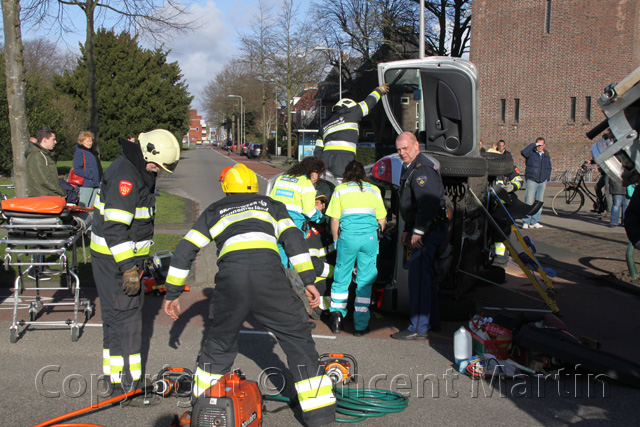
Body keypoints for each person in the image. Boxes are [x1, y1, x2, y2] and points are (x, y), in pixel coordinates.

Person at [163, 164, 336, 427]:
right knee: (298, 341)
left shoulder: (214, 210)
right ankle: (320, 418)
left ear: (226, 188)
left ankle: (202, 410)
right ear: (254, 187)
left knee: (218, 346)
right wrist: (308, 280)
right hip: (270, 280)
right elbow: (293, 240)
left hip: (231, 282)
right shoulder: (272, 205)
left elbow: (185, 249)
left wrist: (172, 293)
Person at [90, 129, 180, 392]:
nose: (158, 171)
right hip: (117, 261)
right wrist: (129, 267)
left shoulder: (136, 168)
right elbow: (115, 229)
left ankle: (115, 380)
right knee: (126, 320)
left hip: (116, 259)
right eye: (158, 166)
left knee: (115, 318)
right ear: (147, 154)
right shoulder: (125, 177)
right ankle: (127, 385)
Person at [391, 132, 448, 341]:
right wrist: (408, 228)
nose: (401, 153)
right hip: (426, 226)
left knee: (419, 278)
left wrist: (418, 231)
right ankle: (432, 322)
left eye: (405, 148)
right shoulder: (414, 167)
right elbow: (413, 204)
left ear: (416, 146)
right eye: (398, 149)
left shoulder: (421, 169)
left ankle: (418, 327)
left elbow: (428, 203)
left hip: (428, 228)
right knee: (425, 276)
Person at [325, 160, 386, 336]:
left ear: (346, 174)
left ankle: (337, 319)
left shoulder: (340, 190)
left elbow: (334, 220)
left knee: (341, 278)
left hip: (348, 238)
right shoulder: (374, 190)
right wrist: (376, 236)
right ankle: (360, 326)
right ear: (363, 174)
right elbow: (382, 220)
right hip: (369, 239)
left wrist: (336, 239)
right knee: (365, 281)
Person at [313, 84, 389, 177]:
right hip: (343, 161)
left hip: (325, 162)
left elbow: (318, 151)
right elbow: (369, 102)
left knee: (327, 187)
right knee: (344, 187)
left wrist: (318, 168)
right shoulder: (352, 112)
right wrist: (379, 90)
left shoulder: (324, 126)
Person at [269, 156, 326, 265]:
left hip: (276, 223)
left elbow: (270, 200)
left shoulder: (281, 178)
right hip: (294, 226)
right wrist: (321, 218)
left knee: (280, 258)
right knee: (295, 260)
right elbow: (309, 212)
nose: (317, 179)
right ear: (314, 172)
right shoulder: (306, 183)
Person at [25, 128, 68, 198]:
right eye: (53, 139)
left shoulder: (46, 155)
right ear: (45, 140)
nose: (55, 142)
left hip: (50, 197)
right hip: (42, 198)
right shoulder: (36, 156)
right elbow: (44, 180)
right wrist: (62, 192)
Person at [521, 137, 552, 229]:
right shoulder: (531, 153)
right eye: (538, 144)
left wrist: (547, 178)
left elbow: (549, 167)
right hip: (532, 179)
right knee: (529, 201)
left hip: (542, 180)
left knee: (539, 202)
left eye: (541, 145)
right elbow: (523, 152)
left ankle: (534, 221)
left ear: (544, 145)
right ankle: (526, 221)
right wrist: (533, 145)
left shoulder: (546, 155)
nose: (539, 147)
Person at [72, 131, 103, 207]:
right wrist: (90, 175)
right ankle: (80, 219)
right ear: (81, 141)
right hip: (86, 184)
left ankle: (89, 219)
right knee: (84, 206)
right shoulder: (80, 152)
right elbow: (77, 169)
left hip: (95, 183)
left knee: (92, 207)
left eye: (91, 141)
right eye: (87, 141)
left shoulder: (92, 152)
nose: (90, 143)